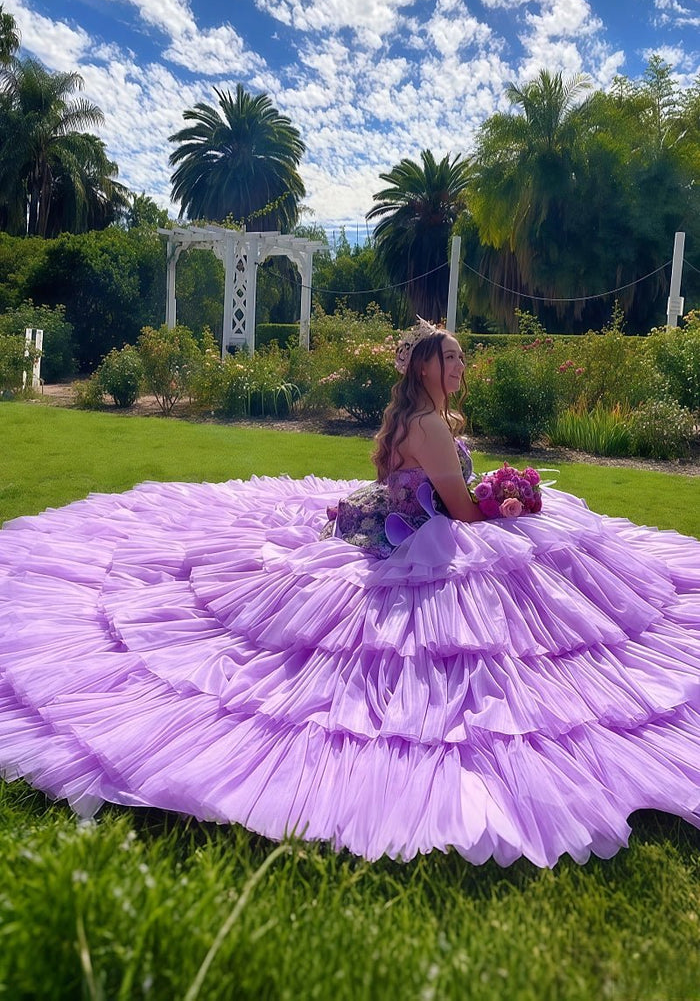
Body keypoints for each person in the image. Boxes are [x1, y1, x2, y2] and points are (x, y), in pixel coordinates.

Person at [0, 318, 699, 868]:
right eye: (450, 357)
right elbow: (459, 512)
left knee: (553, 559)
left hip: (409, 521)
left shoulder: (422, 420)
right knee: (538, 562)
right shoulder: (428, 425)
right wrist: (516, 500)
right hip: (430, 533)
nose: (460, 367)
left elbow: (442, 487)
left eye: (461, 358)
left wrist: (500, 490)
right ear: (424, 366)